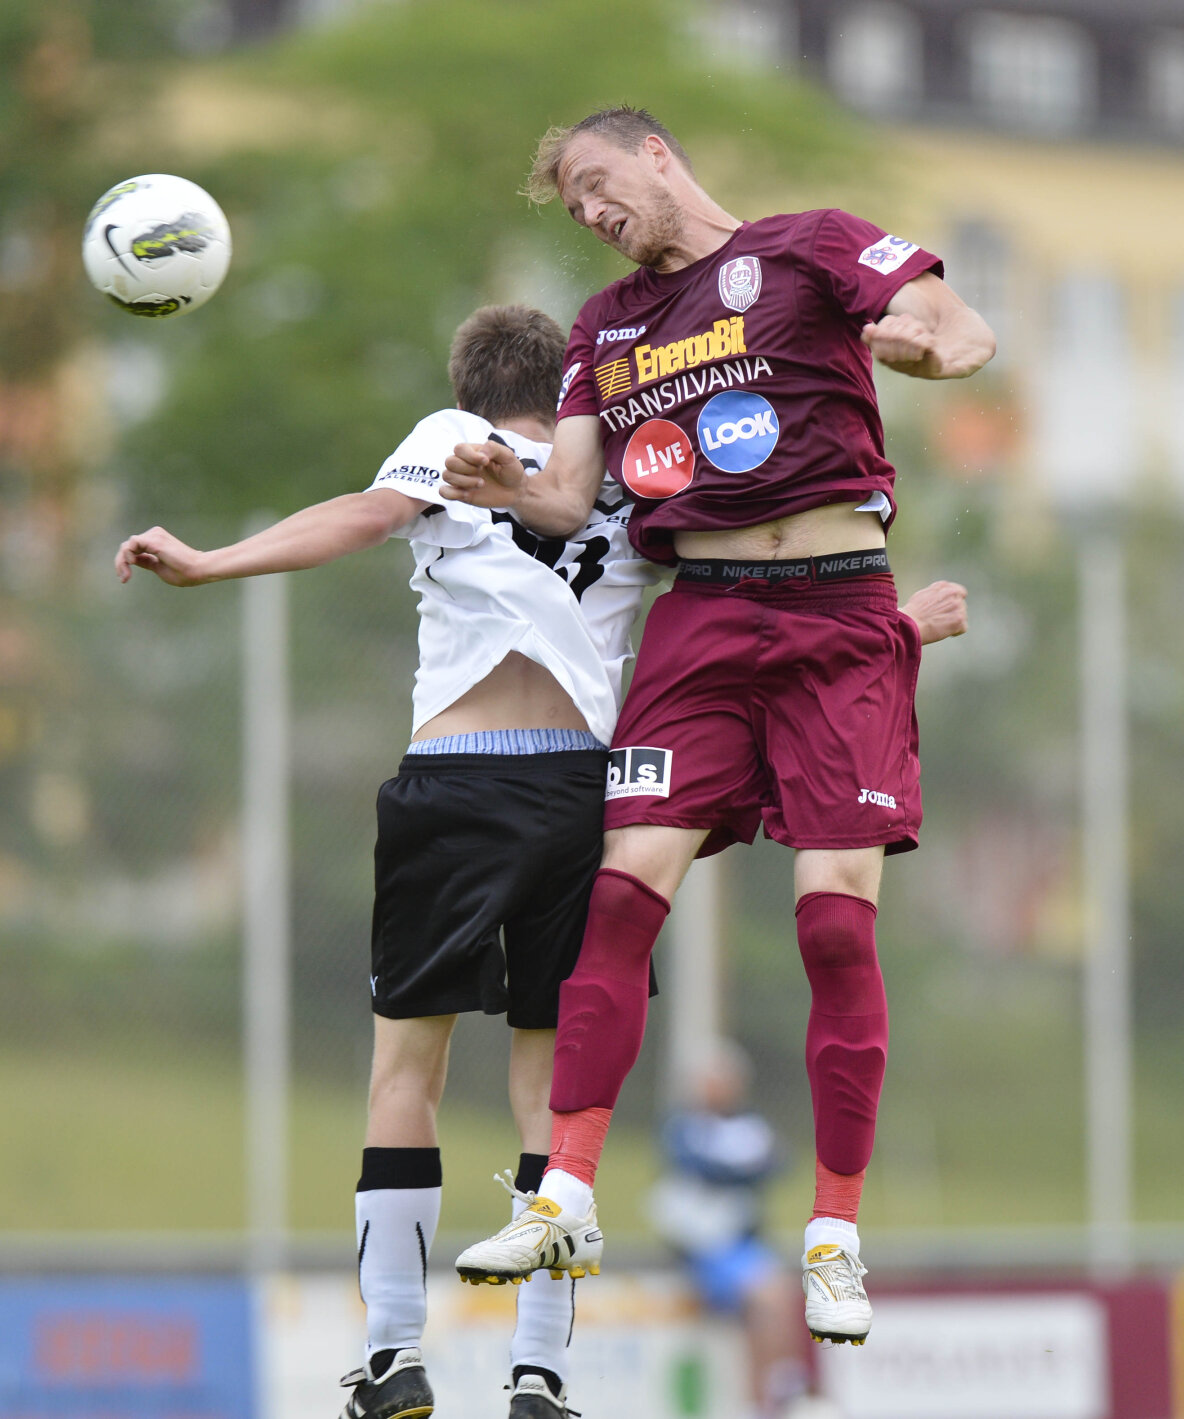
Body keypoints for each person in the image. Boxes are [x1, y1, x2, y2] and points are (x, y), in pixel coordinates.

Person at [444, 107, 993, 1347]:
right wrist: (510, 488)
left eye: (596, 182)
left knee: (834, 927)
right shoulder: (606, 326)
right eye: (572, 204)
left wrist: (935, 350)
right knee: (624, 895)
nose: (590, 211)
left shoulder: (807, 249)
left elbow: (959, 324)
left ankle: (835, 1240)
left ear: (656, 156)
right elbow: (573, 493)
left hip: (841, 617)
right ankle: (566, 1195)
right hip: (703, 617)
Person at [114, 304, 658, 1419]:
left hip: (455, 785)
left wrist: (212, 562)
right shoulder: (624, 477)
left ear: (469, 387)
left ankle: (397, 1357)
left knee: (406, 1073)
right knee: (553, 1091)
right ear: (565, 389)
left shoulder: (455, 441)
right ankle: (541, 1374)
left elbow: (366, 516)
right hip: (583, 798)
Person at [649, 1040, 810, 1419]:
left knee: (780, 1296)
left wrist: (737, 1171)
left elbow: (779, 1164)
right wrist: (741, 1170)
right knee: (767, 1296)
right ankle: (771, 1391)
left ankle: (775, 1388)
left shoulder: (749, 1124)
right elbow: (699, 1167)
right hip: (704, 1248)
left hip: (741, 1244)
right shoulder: (684, 1126)